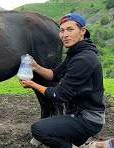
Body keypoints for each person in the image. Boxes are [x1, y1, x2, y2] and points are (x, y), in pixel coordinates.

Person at [19, 13, 106, 148]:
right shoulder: (75, 54)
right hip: (78, 114)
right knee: (61, 139)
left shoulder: (83, 59)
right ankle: (94, 145)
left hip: (86, 118)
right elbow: (54, 74)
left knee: (38, 129)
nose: (65, 35)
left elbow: (59, 95)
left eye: (70, 29)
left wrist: (32, 84)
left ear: (82, 31)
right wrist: (36, 67)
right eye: (62, 30)